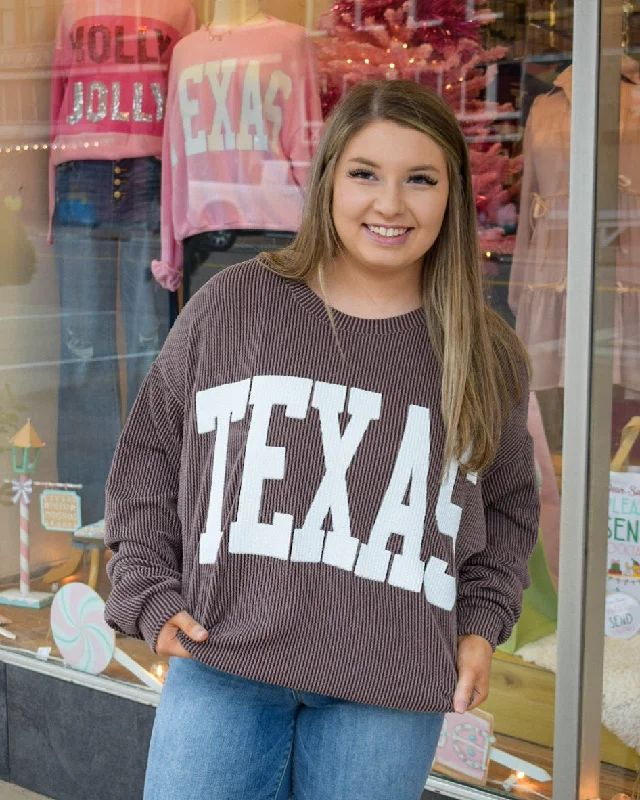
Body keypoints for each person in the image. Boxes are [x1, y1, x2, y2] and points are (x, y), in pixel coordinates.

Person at [104, 79, 540, 800]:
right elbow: (151, 450)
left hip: (387, 694)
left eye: (420, 179)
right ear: (330, 177)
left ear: (453, 195)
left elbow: (507, 509)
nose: (390, 204)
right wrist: (146, 586)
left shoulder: (483, 353)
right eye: (365, 173)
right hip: (223, 670)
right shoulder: (236, 305)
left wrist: (480, 625)